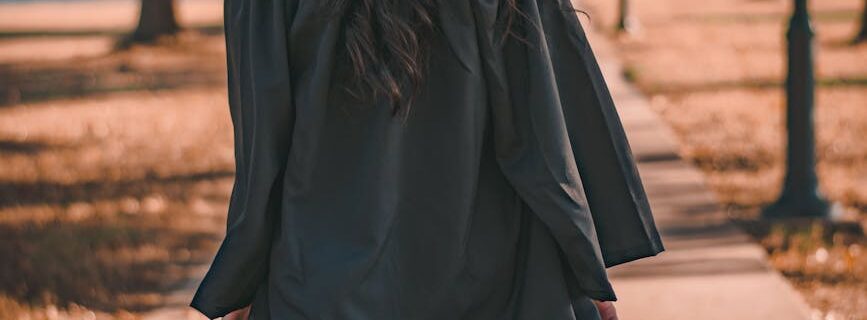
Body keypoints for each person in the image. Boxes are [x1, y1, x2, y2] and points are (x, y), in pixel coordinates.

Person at [189, 0, 664, 319]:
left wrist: (243, 275)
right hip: (495, 271)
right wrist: (584, 261)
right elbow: (542, 120)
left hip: (321, 275)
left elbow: (263, 130)